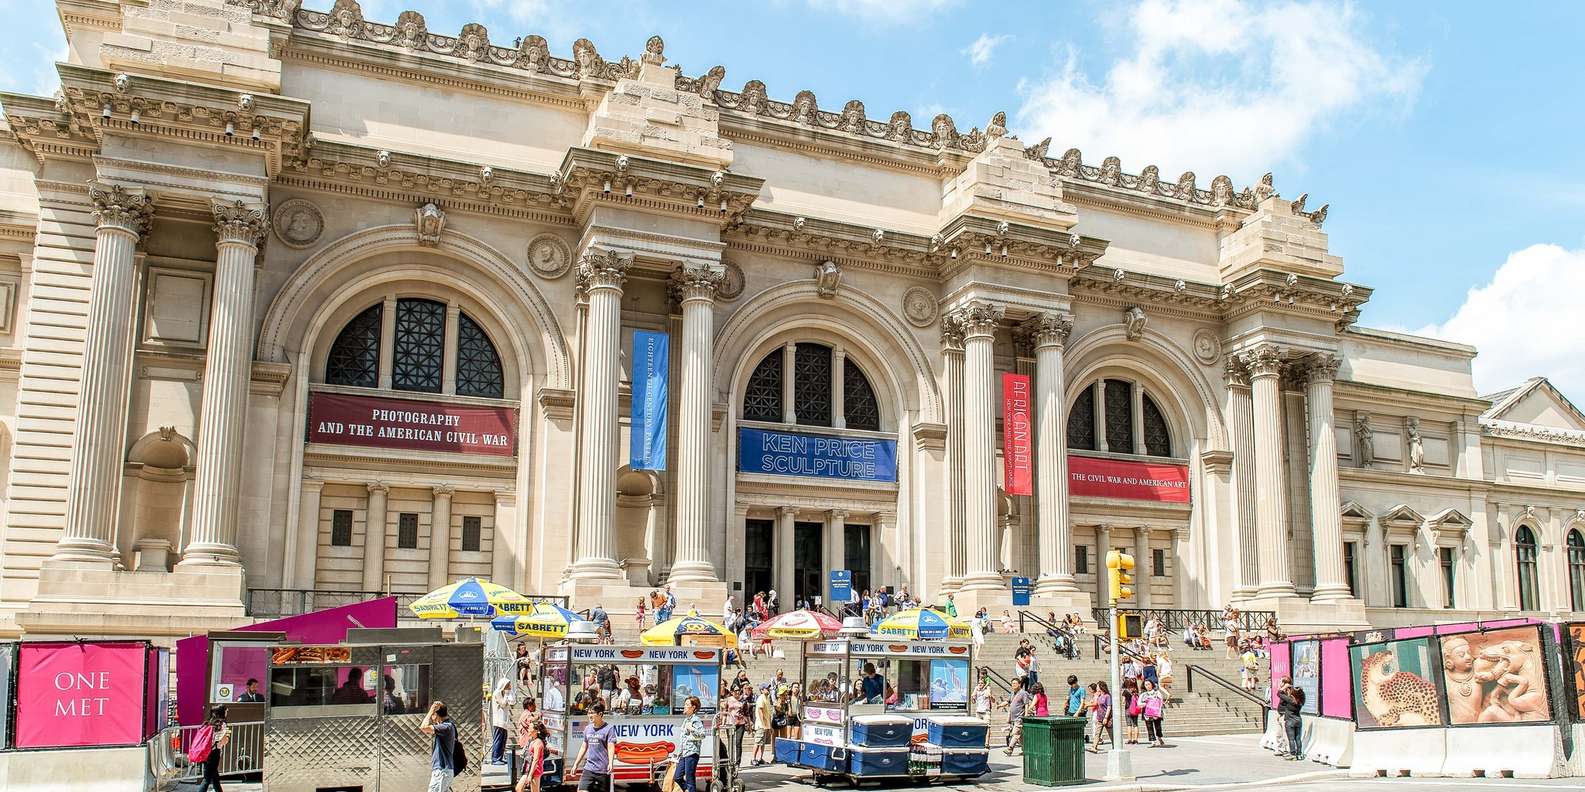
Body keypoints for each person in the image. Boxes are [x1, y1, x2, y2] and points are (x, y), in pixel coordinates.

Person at [571, 702, 616, 791]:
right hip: (589, 768)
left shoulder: (609, 729)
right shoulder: (588, 729)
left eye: (592, 713)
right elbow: (584, 747)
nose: (589, 715)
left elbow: (611, 747)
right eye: (589, 713)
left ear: (600, 714)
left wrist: (611, 763)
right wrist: (576, 764)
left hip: (603, 770)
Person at [419, 700, 457, 792]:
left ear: (436, 714)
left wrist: (431, 710)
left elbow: (423, 727)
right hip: (443, 771)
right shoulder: (447, 726)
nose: (432, 718)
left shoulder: (446, 727)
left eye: (432, 715)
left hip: (442, 771)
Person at [672, 696, 706, 792]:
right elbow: (683, 738)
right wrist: (680, 751)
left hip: (692, 753)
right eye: (685, 704)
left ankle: (690, 790)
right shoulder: (686, 720)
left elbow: (703, 734)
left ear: (693, 707)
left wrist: (692, 729)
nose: (684, 706)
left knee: (690, 779)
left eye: (687, 705)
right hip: (684, 753)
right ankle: (688, 790)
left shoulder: (696, 720)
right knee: (677, 777)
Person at [195, 705, 231, 792]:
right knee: (207, 779)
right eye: (226, 711)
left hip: (205, 752)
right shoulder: (222, 724)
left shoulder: (207, 723)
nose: (227, 713)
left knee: (215, 777)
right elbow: (224, 740)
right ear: (222, 712)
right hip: (214, 753)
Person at [1276, 676, 1305, 760]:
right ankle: (1299, 754)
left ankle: (1292, 753)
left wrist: (1285, 687)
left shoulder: (1290, 700)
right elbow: (1301, 695)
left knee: (1291, 739)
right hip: (1298, 720)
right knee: (1298, 739)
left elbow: (1279, 693)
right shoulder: (1301, 701)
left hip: (1290, 720)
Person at [517, 720, 549, 792]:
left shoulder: (538, 742)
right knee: (518, 788)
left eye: (530, 728)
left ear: (537, 731)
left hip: (535, 770)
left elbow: (536, 760)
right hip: (529, 768)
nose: (528, 729)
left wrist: (530, 775)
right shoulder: (533, 740)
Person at [491, 678, 515, 764]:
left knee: (503, 739)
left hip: (504, 720)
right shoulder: (497, 693)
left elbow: (512, 702)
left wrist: (509, 694)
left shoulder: (505, 693)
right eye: (508, 685)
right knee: (498, 739)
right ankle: (495, 758)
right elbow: (503, 704)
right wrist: (506, 694)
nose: (509, 687)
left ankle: (500, 757)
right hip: (499, 720)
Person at [1003, 678, 1029, 755]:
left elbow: (1026, 704)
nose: (1013, 685)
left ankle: (1010, 749)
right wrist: (1000, 705)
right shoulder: (1012, 693)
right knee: (1020, 736)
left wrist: (1026, 715)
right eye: (1012, 684)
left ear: (1019, 684)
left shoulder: (1023, 693)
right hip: (1013, 718)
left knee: (1015, 733)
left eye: (1015, 683)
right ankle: (1026, 749)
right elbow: (1008, 702)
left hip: (1019, 717)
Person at [1139, 679, 1166, 747]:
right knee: (1149, 727)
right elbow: (1139, 703)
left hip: (1156, 712)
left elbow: (1161, 702)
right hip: (1147, 713)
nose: (1147, 686)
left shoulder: (1157, 693)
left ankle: (1159, 738)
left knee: (1158, 726)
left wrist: (1160, 710)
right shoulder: (1143, 694)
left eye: (1149, 684)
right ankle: (1153, 741)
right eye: (1146, 685)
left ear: (1152, 684)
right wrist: (1146, 703)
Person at [752, 683, 774, 765]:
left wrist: (770, 726)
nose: (768, 689)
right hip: (761, 725)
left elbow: (768, 713)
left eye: (768, 688)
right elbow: (760, 711)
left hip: (766, 725)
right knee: (757, 742)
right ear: (762, 690)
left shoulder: (767, 698)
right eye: (766, 688)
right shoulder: (760, 698)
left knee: (763, 743)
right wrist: (763, 724)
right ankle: (753, 758)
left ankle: (760, 758)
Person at [1089, 682, 1112, 753]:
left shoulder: (1107, 696)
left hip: (1106, 718)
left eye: (1098, 686)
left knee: (1111, 733)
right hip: (1099, 717)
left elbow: (1109, 707)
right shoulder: (1099, 696)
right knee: (1097, 733)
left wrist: (1106, 717)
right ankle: (1094, 746)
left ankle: (1115, 746)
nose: (1096, 688)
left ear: (1101, 687)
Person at [1121, 679, 1140, 744]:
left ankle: (1129, 739)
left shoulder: (1125, 691)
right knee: (1135, 725)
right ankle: (1136, 740)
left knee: (1129, 725)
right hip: (1135, 710)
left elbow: (1123, 701)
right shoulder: (1136, 691)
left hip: (1128, 709)